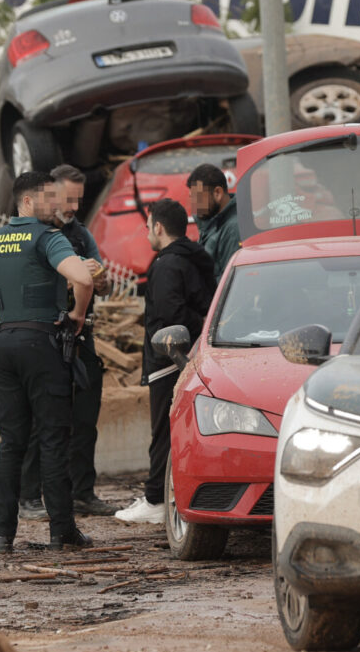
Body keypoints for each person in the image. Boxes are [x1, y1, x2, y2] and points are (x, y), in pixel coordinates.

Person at [0, 171, 95, 552]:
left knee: (12, 441)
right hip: (42, 345)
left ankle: (1, 535)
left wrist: (0, 319)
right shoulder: (47, 239)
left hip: (5, 345)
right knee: (52, 438)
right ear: (28, 202)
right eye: (49, 198)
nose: (56, 205)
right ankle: (62, 531)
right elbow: (82, 278)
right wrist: (77, 316)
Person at [18, 165, 118, 520]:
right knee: (39, 418)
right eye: (67, 199)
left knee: (85, 416)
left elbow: (105, 285)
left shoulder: (79, 234)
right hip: (43, 337)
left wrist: (100, 279)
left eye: (78, 199)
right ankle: (29, 495)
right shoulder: (31, 233)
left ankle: (82, 492)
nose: (73, 206)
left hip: (79, 336)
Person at [115, 199, 216, 523]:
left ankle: (156, 498)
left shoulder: (166, 265)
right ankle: (162, 494)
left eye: (147, 227)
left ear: (158, 227)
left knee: (162, 431)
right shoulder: (196, 258)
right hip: (191, 356)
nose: (146, 234)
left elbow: (170, 314)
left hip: (167, 361)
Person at [188, 163, 239, 282]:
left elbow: (230, 283)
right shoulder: (209, 224)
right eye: (192, 198)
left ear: (218, 193)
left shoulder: (233, 229)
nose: (194, 204)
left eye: (197, 197)